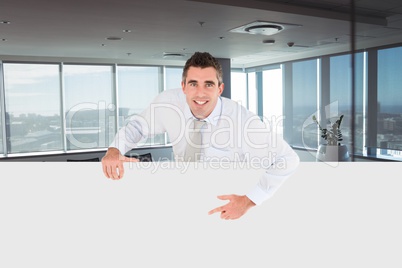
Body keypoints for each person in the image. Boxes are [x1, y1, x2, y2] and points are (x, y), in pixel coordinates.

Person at [102, 52, 300, 220]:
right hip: (181, 200)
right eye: (193, 84)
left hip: (227, 207)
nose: (200, 93)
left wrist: (249, 201)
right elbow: (137, 127)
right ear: (184, 86)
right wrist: (114, 149)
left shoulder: (242, 121)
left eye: (208, 84)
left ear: (220, 88)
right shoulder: (168, 103)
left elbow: (288, 159)